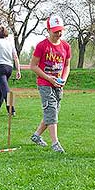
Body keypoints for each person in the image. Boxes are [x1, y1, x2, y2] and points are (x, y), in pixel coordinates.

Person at [29, 15, 71, 153]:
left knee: (52, 113)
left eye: (60, 31)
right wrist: (48, 78)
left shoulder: (66, 46)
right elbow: (33, 66)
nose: (58, 34)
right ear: (48, 30)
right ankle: (55, 143)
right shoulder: (42, 46)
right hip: (44, 83)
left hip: (58, 85)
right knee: (51, 110)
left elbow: (66, 65)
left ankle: (36, 136)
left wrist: (63, 78)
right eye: (55, 31)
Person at [0, 26, 21, 115]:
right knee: (1, 87)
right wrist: (18, 70)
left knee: (5, 88)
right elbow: (15, 57)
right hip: (9, 67)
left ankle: (11, 109)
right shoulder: (10, 43)